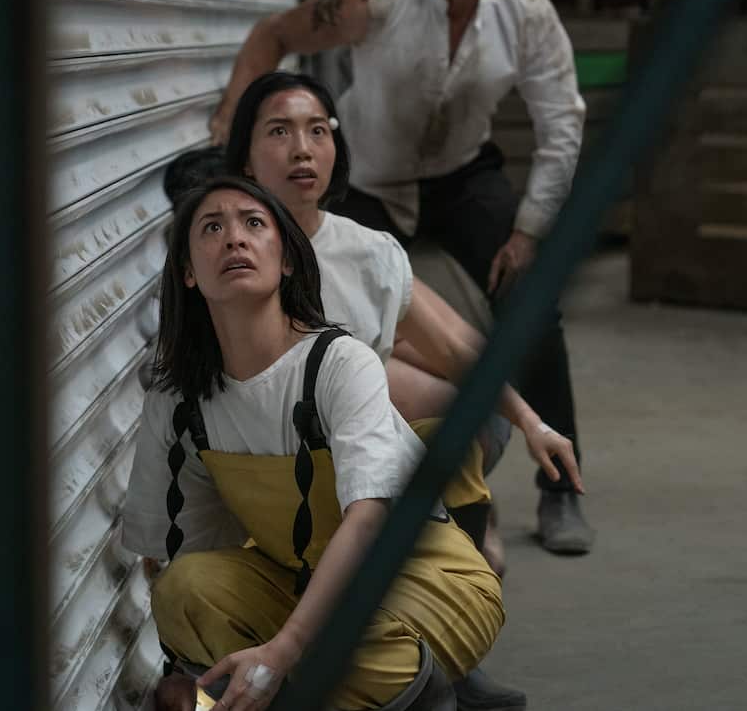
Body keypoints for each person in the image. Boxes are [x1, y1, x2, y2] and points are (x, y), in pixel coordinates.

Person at [206, 0, 594, 554]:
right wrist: (234, 125)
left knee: (534, 305)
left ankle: (561, 487)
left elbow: (562, 121)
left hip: (462, 175)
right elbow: (273, 34)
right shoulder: (373, 1)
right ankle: (340, 484)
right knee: (342, 317)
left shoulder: (524, 9)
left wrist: (530, 227)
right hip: (369, 180)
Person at [123, 176, 504, 710]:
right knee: (183, 590)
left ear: (285, 260)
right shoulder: (177, 400)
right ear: (187, 272)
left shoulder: (339, 363)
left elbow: (370, 519)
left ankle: (433, 699)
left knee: (345, 642)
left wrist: (282, 650)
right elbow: (181, 549)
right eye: (212, 227)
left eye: (254, 224)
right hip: (301, 588)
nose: (235, 238)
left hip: (421, 576)